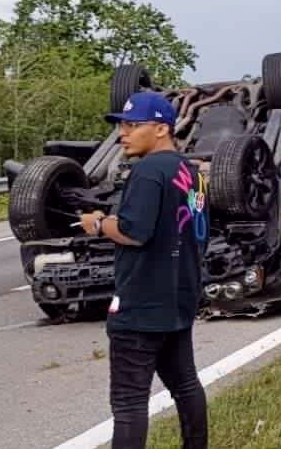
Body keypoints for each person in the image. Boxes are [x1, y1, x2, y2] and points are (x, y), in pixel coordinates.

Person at [80, 91, 209, 449]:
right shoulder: (191, 172)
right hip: (179, 299)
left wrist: (99, 223)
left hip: (140, 305)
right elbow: (199, 232)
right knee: (186, 385)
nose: (124, 133)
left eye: (133, 125)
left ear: (161, 129)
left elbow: (134, 232)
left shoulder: (148, 171)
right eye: (122, 125)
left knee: (129, 403)